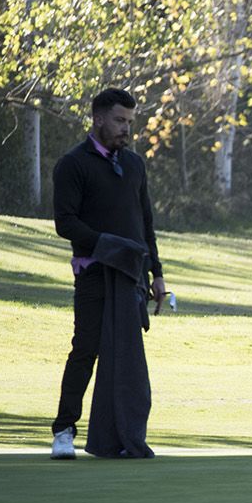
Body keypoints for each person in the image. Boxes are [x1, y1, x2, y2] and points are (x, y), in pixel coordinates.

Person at [50, 88, 167, 459]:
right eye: (119, 120)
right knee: (85, 350)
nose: (126, 129)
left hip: (131, 278)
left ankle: (119, 437)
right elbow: (65, 223)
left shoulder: (134, 165)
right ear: (98, 118)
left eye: (130, 122)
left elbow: (144, 223)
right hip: (94, 275)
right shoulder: (73, 164)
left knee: (125, 357)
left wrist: (158, 274)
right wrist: (108, 246)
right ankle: (64, 430)